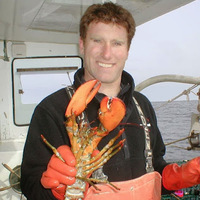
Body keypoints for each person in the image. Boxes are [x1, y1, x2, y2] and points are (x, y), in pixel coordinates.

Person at [21, 2, 200, 200]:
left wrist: (178, 176)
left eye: (117, 43)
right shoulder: (52, 109)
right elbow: (30, 186)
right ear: (82, 44)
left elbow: (154, 166)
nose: (107, 53)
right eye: (97, 40)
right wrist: (54, 188)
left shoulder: (143, 105)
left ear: (127, 49)